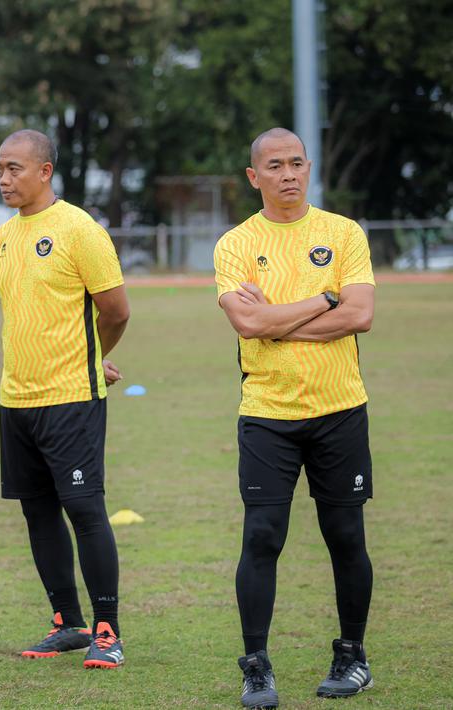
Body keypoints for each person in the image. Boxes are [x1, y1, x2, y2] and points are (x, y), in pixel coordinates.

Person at [214, 127, 376, 709]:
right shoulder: (235, 244)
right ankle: (256, 667)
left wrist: (278, 322)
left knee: (346, 536)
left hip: (340, 408)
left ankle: (352, 656)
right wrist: (325, 299)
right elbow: (248, 324)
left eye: (297, 163)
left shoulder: (343, 233)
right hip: (267, 413)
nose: (288, 174)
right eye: (275, 165)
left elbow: (361, 315)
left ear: (309, 168)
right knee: (262, 537)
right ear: (254, 176)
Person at [0, 129, 131, 669]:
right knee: (38, 513)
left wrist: (90, 358)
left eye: (15, 168)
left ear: (45, 171)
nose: (4, 179)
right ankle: (67, 622)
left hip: (71, 398)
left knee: (85, 509)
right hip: (16, 399)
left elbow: (115, 311)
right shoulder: (0, 238)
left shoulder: (80, 230)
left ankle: (107, 629)